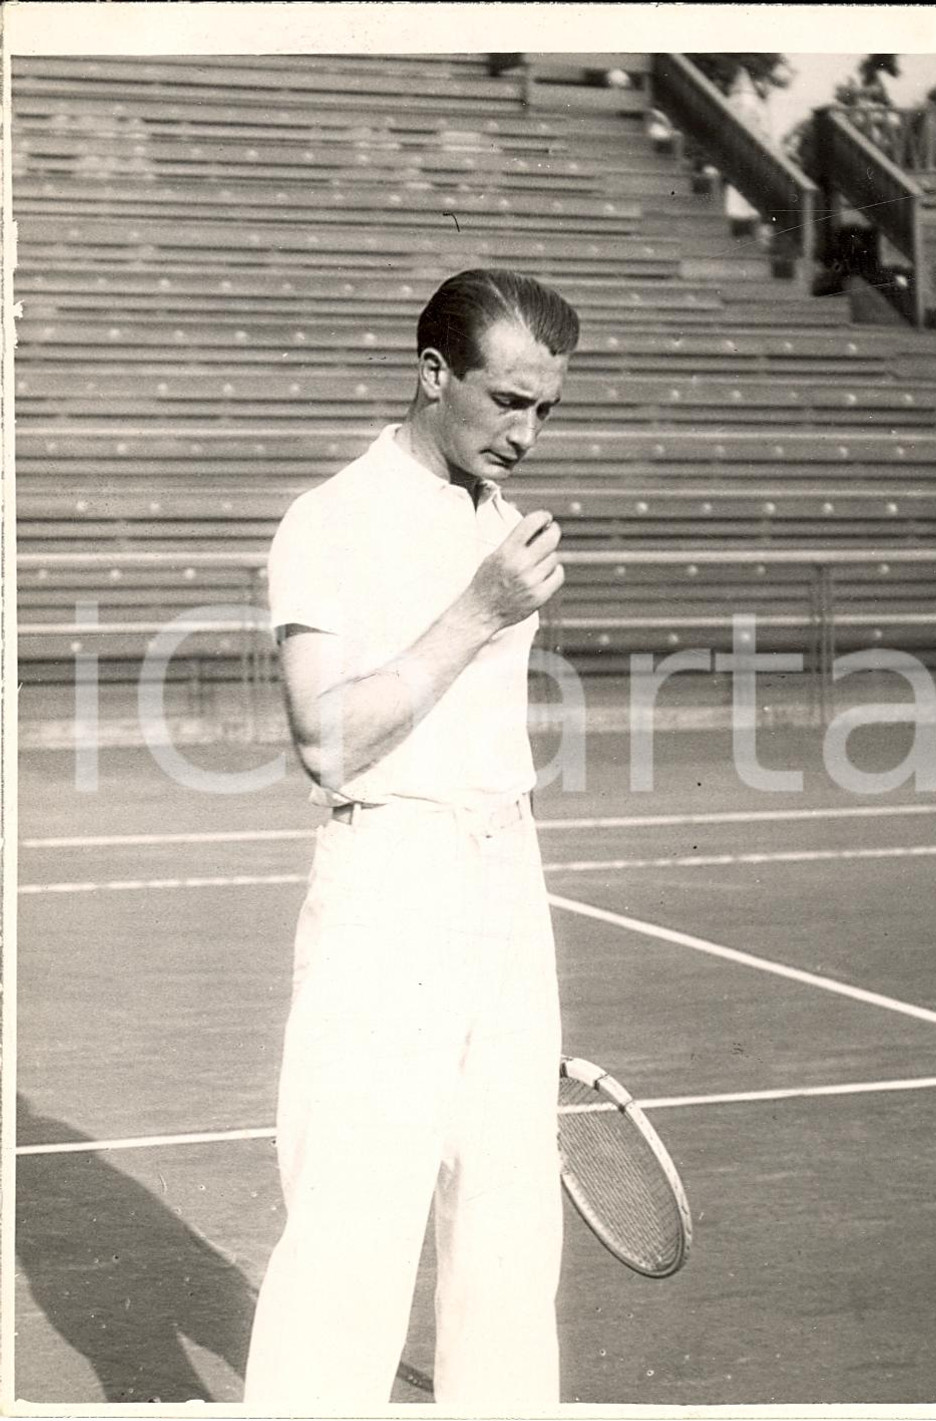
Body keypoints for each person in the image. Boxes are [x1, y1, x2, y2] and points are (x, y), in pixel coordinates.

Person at [243, 269, 580, 1412]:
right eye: (506, 401)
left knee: (510, 1209)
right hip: (393, 873)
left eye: (545, 409)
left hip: (503, 869)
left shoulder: (494, 518)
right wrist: (482, 608)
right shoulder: (330, 519)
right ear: (432, 375)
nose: (525, 433)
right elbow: (328, 741)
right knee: (356, 1213)